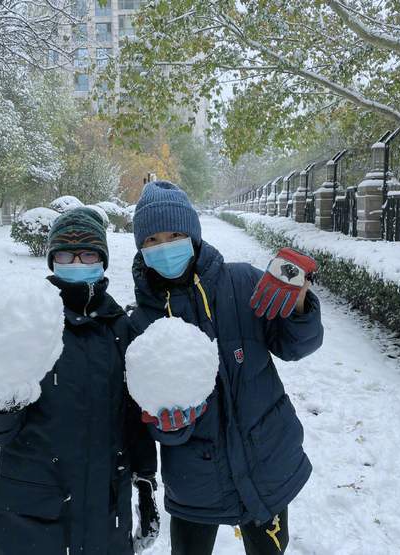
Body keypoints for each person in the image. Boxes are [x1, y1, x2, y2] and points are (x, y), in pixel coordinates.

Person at [129, 181, 324, 555]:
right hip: (193, 482)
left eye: (175, 234)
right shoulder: (141, 324)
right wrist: (168, 428)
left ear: (194, 235)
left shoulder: (244, 283)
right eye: (152, 240)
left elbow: (296, 346)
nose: (165, 246)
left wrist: (299, 302)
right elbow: (149, 418)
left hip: (266, 464)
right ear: (141, 247)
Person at [0, 207, 158, 555]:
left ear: (102, 260)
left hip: (106, 514)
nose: (77, 261)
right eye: (65, 254)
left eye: (88, 253)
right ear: (52, 260)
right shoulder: (26, 324)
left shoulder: (122, 329)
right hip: (31, 518)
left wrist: (146, 482)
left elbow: (135, 419)